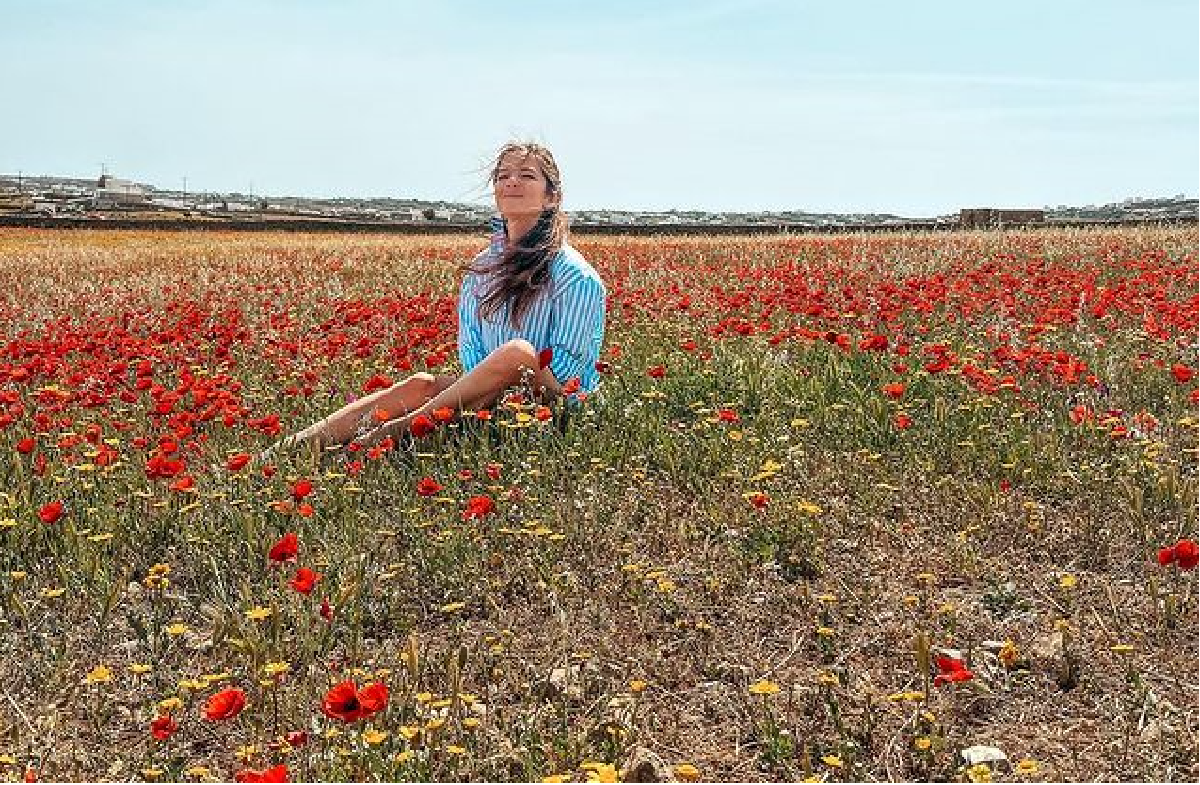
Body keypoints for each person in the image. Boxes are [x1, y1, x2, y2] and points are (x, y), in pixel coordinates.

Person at [264, 142, 606, 461]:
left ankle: (383, 438)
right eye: (503, 176)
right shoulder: (482, 269)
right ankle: (287, 451)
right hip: (490, 395)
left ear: (551, 197)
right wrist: (485, 389)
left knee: (519, 352)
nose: (512, 182)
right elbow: (471, 352)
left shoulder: (575, 275)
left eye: (527, 175)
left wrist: (505, 384)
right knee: (420, 384)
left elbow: (569, 375)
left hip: (554, 404)